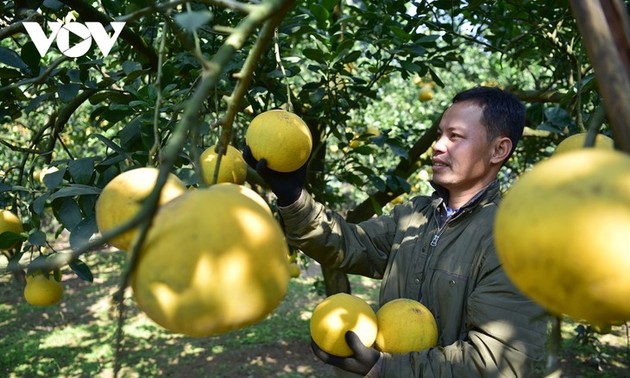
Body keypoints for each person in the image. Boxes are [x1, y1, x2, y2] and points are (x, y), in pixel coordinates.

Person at [244, 86, 549, 377]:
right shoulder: (414, 215)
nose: (438, 146)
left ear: (499, 150)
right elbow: (348, 243)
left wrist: (386, 369)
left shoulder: (512, 242)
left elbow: (501, 363)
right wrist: (292, 195)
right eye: (440, 134)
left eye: (455, 136)